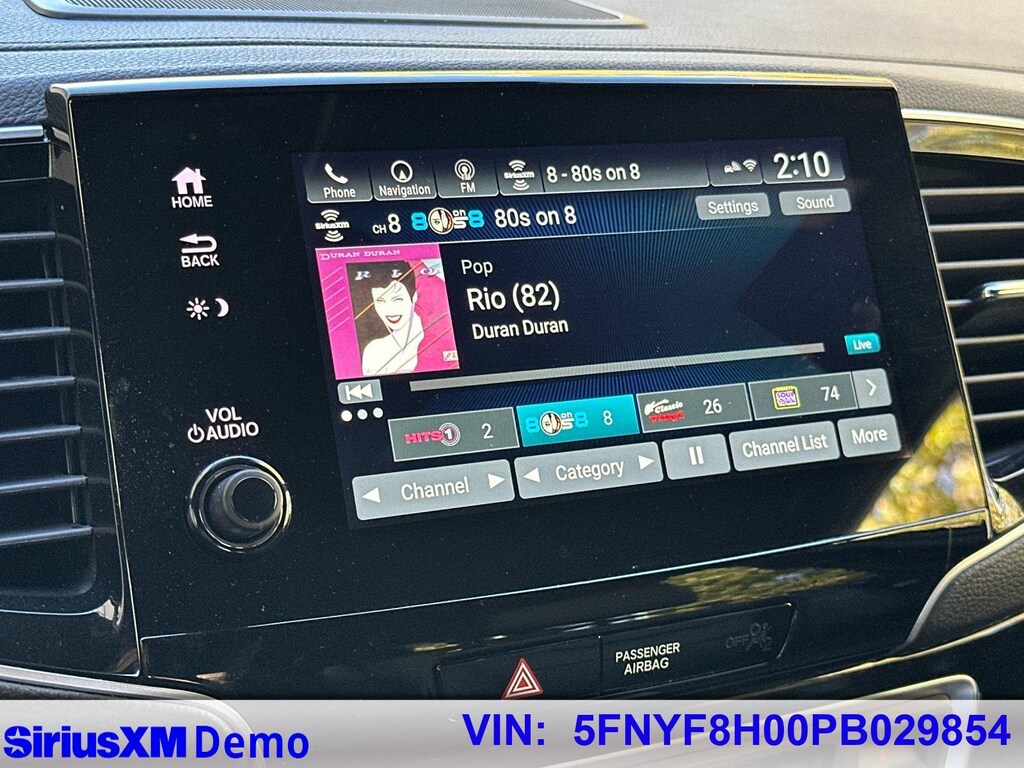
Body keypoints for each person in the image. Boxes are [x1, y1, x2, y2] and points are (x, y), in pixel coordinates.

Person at [347, 261, 425, 375]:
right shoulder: (375, 350)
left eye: (397, 299)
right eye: (380, 301)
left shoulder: (439, 331)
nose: (390, 311)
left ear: (414, 296)